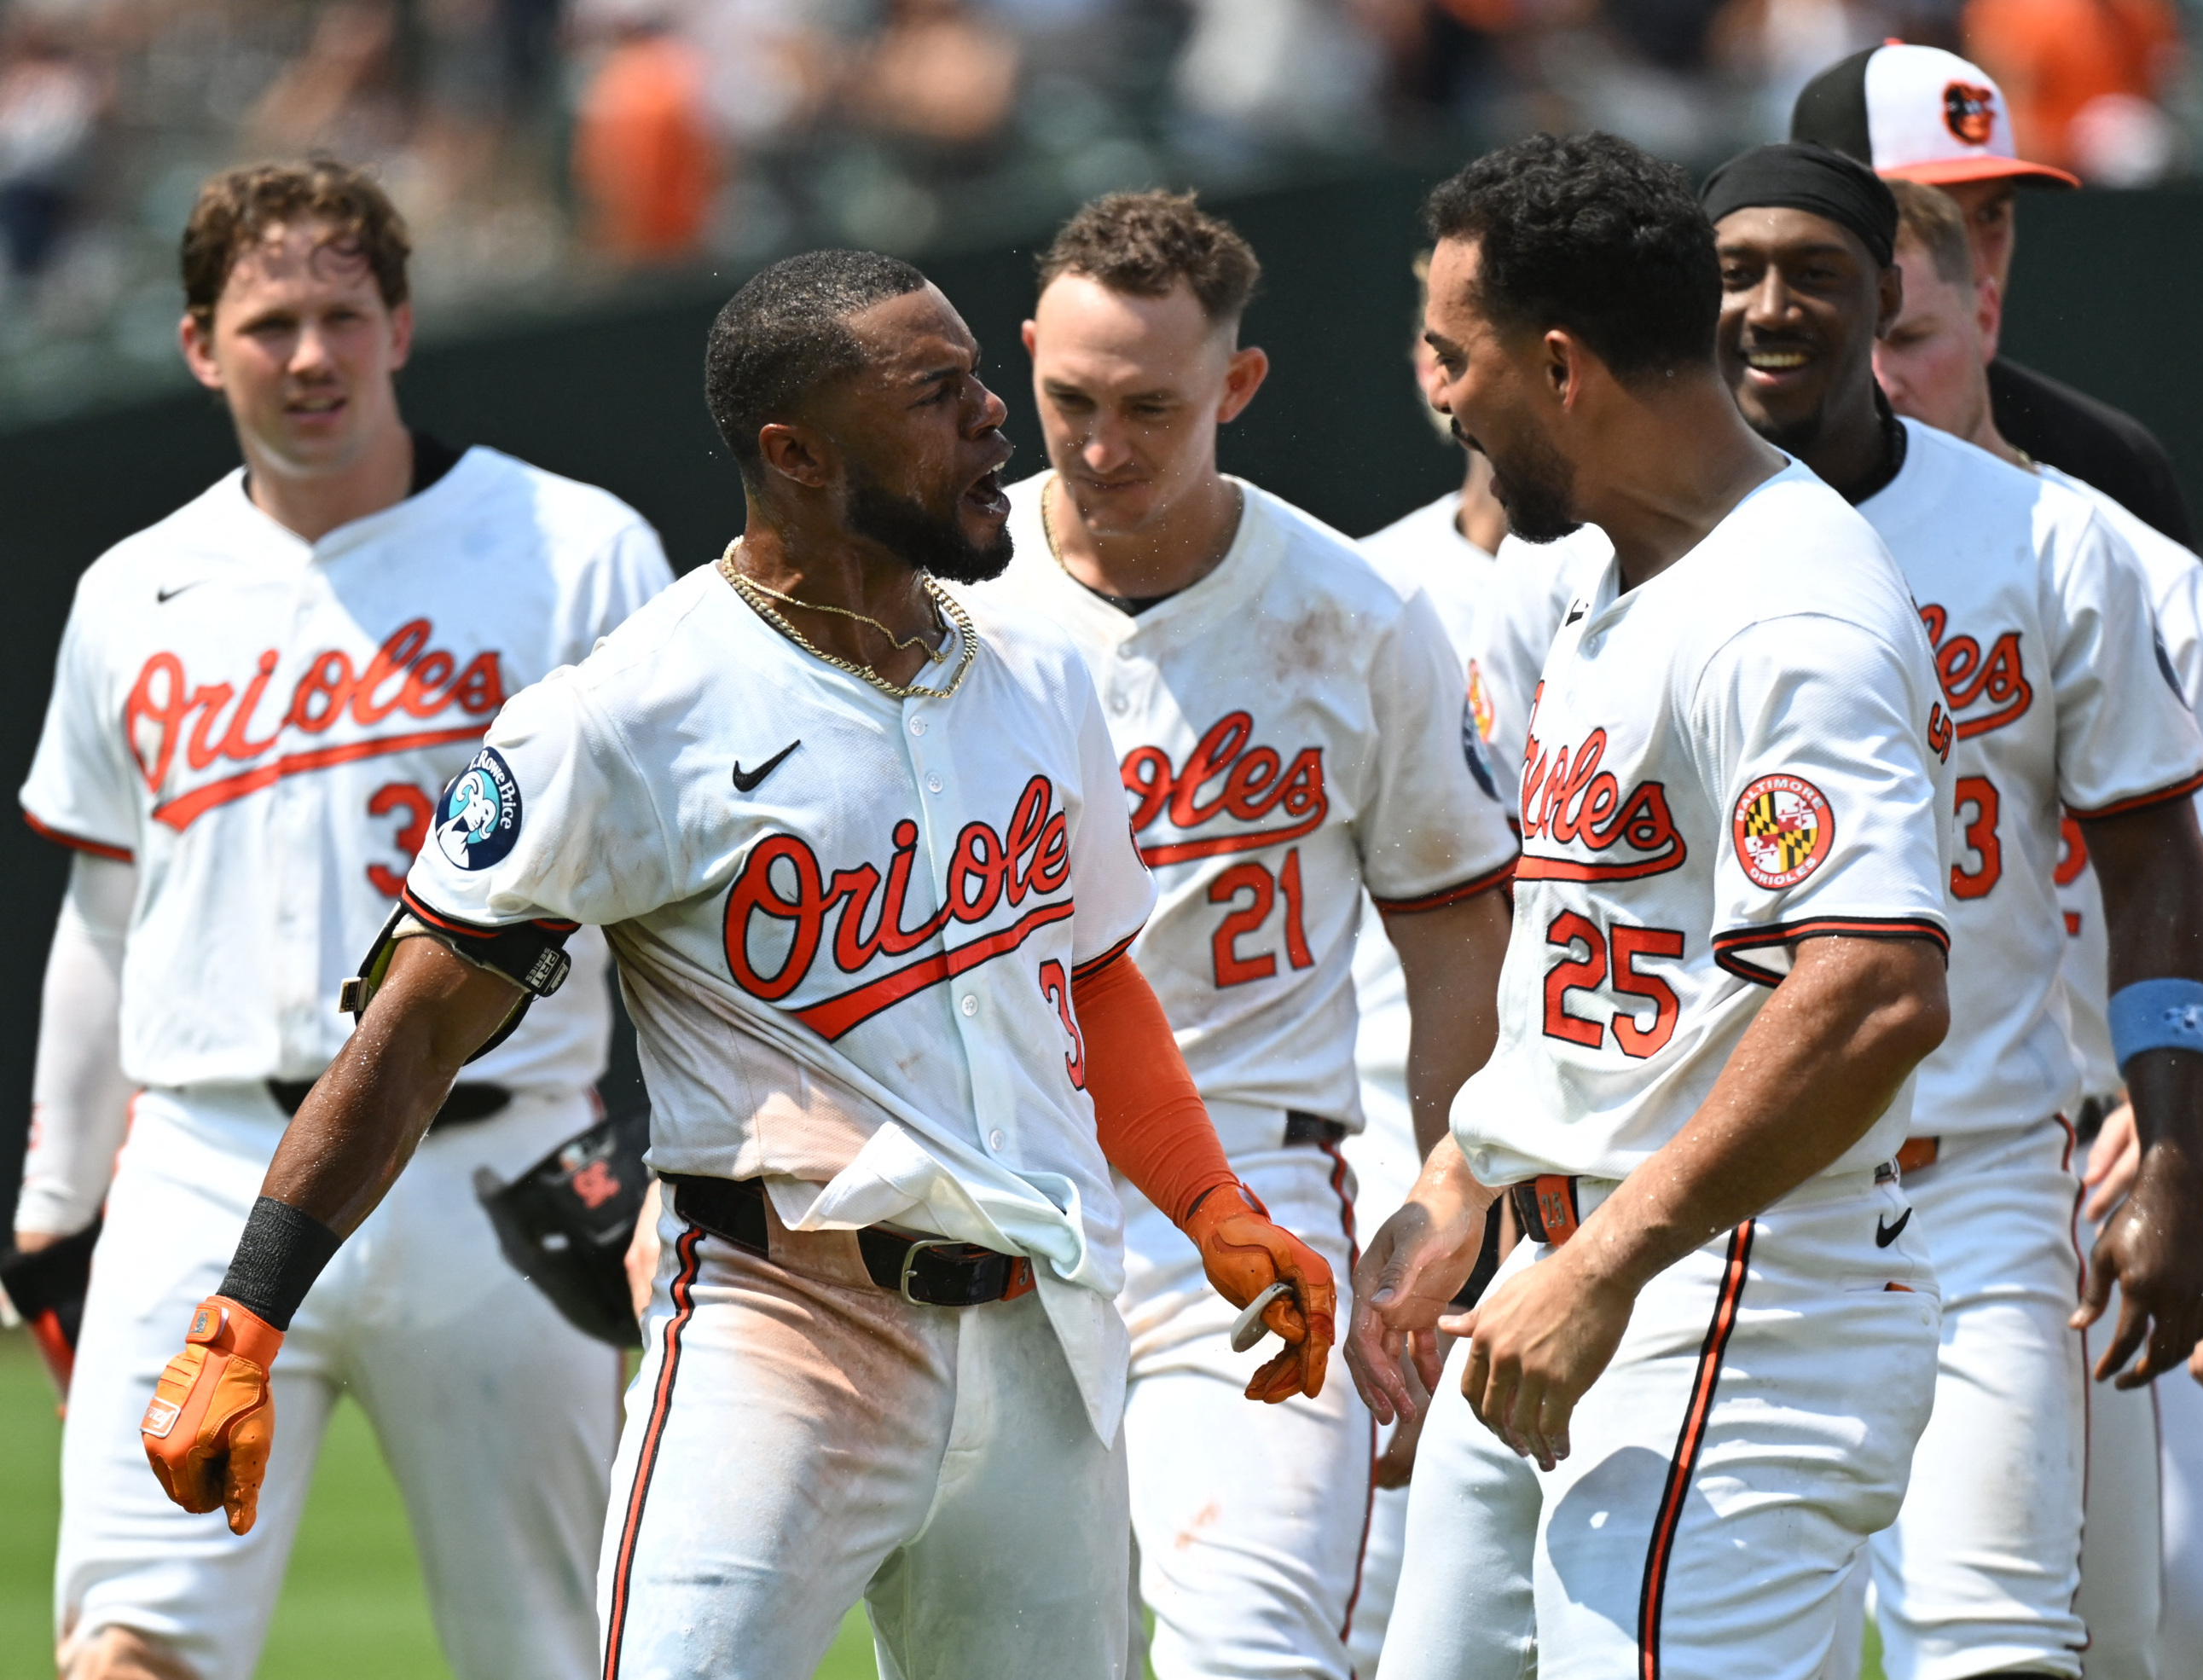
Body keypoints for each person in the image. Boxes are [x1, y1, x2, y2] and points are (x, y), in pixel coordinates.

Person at [132, 247, 1339, 1680]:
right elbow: (409, 1040)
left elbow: (1084, 979)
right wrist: (242, 1319)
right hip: (784, 1333)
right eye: (937, 392)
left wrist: (1210, 1204)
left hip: (1040, 1344)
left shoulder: (1041, 678)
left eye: (977, 379)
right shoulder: (629, 715)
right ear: (798, 452)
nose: (993, 419)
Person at [11, 159, 675, 1680]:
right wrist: (57, 1210)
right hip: (206, 1168)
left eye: (341, 315)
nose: (309, 355)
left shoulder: (575, 548)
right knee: (128, 1650)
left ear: (402, 324)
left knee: (559, 1657)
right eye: (268, 323)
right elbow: (105, 915)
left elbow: (668, 899)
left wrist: (671, 1158)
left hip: (503, 1166)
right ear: (197, 344)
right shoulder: (134, 589)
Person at [1354, 130, 1957, 1680]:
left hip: (1720, 1314)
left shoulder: (1787, 607)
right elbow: (1608, 962)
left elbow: (1876, 990)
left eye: (1460, 358)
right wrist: (1463, 1178)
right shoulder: (1616, 580)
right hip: (1575, 1286)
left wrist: (1602, 1264)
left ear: (1560, 367)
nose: (1447, 401)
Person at [977, 190, 1516, 1680]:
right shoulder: (947, 598)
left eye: (1150, 404)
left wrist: (1448, 1203)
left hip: (1253, 1186)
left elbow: (1456, 942)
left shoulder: (1355, 610)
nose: (1100, 444)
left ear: (1238, 384)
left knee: (1255, 1647)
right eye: (1069, 397)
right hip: (992, 1179)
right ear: (1026, 356)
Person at [1707, 140, 2203, 1680]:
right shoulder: (1629, 549)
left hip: (1979, 1172)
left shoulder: (2055, 541)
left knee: (2016, 1644)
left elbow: (2158, 870)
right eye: (1737, 273)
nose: (1775, 309)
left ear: (1890, 298)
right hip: (1720, 1184)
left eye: (1818, 274)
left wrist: (2180, 1156)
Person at [1872, 172, 2203, 1680]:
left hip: (2068, 1137)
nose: (1878, 377)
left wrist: (2194, 1140)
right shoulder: (1719, 574)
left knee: (2162, 1604)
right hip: (1793, 1168)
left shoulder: (2120, 564)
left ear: (1986, 310)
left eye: (1905, 333)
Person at [1342, 270, 1610, 1680]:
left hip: (1603, 1155)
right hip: (1407, 1137)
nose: (1454, 380)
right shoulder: (1358, 586)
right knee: (1392, 1619)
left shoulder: (1648, 580)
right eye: (1439, 345)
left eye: (1484, 348)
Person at [1791, 40, 2197, 546]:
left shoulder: (2103, 459)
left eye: (1991, 216)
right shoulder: (1728, 447)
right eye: (1928, 219)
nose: (1972, 259)